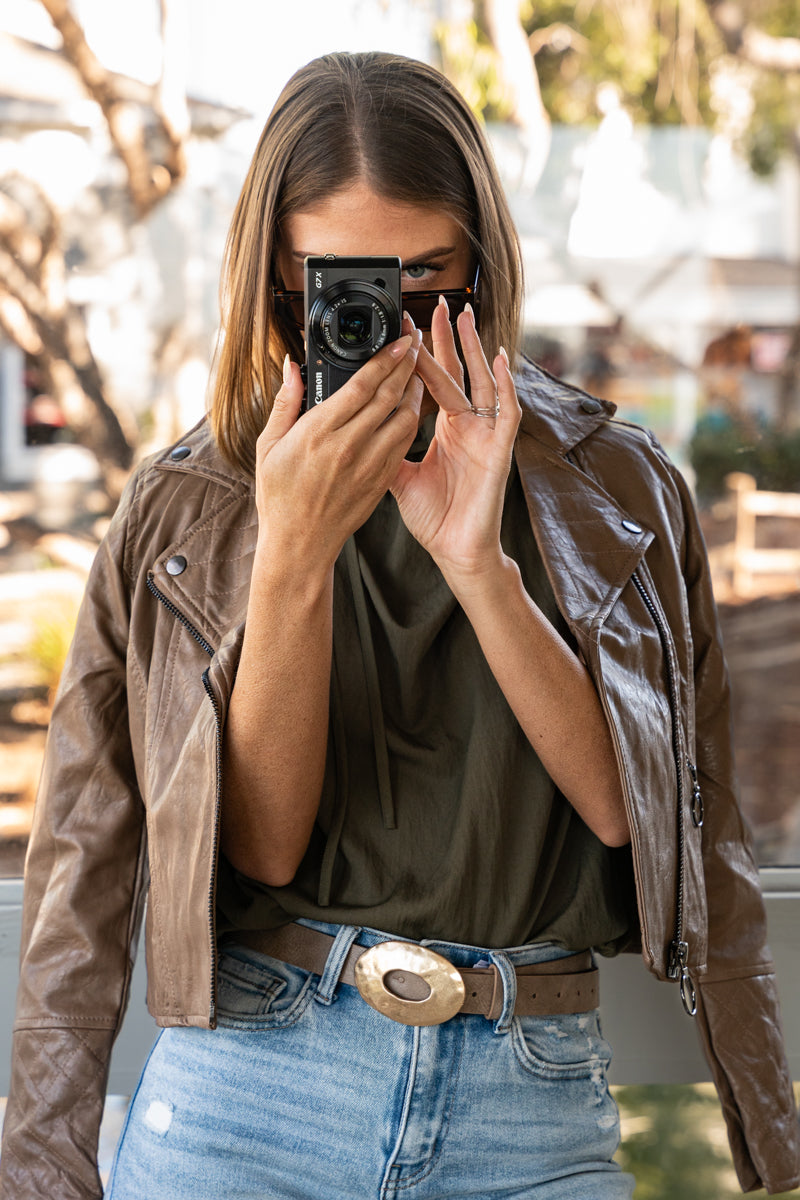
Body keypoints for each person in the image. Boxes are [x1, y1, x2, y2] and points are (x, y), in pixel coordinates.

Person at [1, 50, 798, 1200]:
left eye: (422, 277)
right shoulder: (187, 504)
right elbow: (185, 858)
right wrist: (291, 557)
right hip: (247, 1094)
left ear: (482, 261)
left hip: (527, 1100)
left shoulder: (615, 488)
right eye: (336, 285)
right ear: (272, 281)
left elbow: (639, 811)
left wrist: (476, 560)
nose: (381, 322)